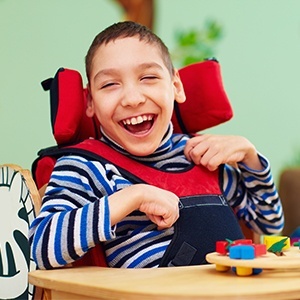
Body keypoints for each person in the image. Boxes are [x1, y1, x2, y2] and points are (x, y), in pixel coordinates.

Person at [29, 21, 284, 270]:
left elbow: (269, 225)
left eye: (148, 77)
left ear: (176, 86)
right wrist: (132, 197)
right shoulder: (85, 166)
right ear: (90, 102)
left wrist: (251, 157)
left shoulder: (202, 156)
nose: (132, 98)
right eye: (109, 84)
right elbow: (39, 248)